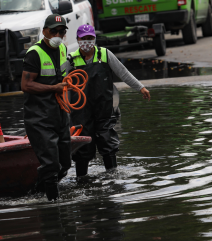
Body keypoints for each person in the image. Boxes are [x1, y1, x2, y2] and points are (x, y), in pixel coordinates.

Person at [67, 24, 151, 178]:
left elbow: (123, 72)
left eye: (90, 38)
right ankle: (82, 180)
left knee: (108, 143)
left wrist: (140, 87)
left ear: (94, 39)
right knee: (82, 149)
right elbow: (61, 84)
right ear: (77, 40)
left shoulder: (105, 54)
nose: (86, 42)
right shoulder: (70, 60)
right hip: (80, 113)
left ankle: (112, 177)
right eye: (83, 39)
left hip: (104, 109)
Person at [21, 14, 71, 201]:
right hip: (39, 118)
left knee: (64, 163)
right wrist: (53, 88)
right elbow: (26, 85)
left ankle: (37, 191)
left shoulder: (63, 49)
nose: (58, 34)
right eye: (54, 31)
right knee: (51, 165)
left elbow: (65, 78)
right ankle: (53, 204)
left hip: (60, 114)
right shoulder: (34, 53)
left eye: (61, 31)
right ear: (44, 31)